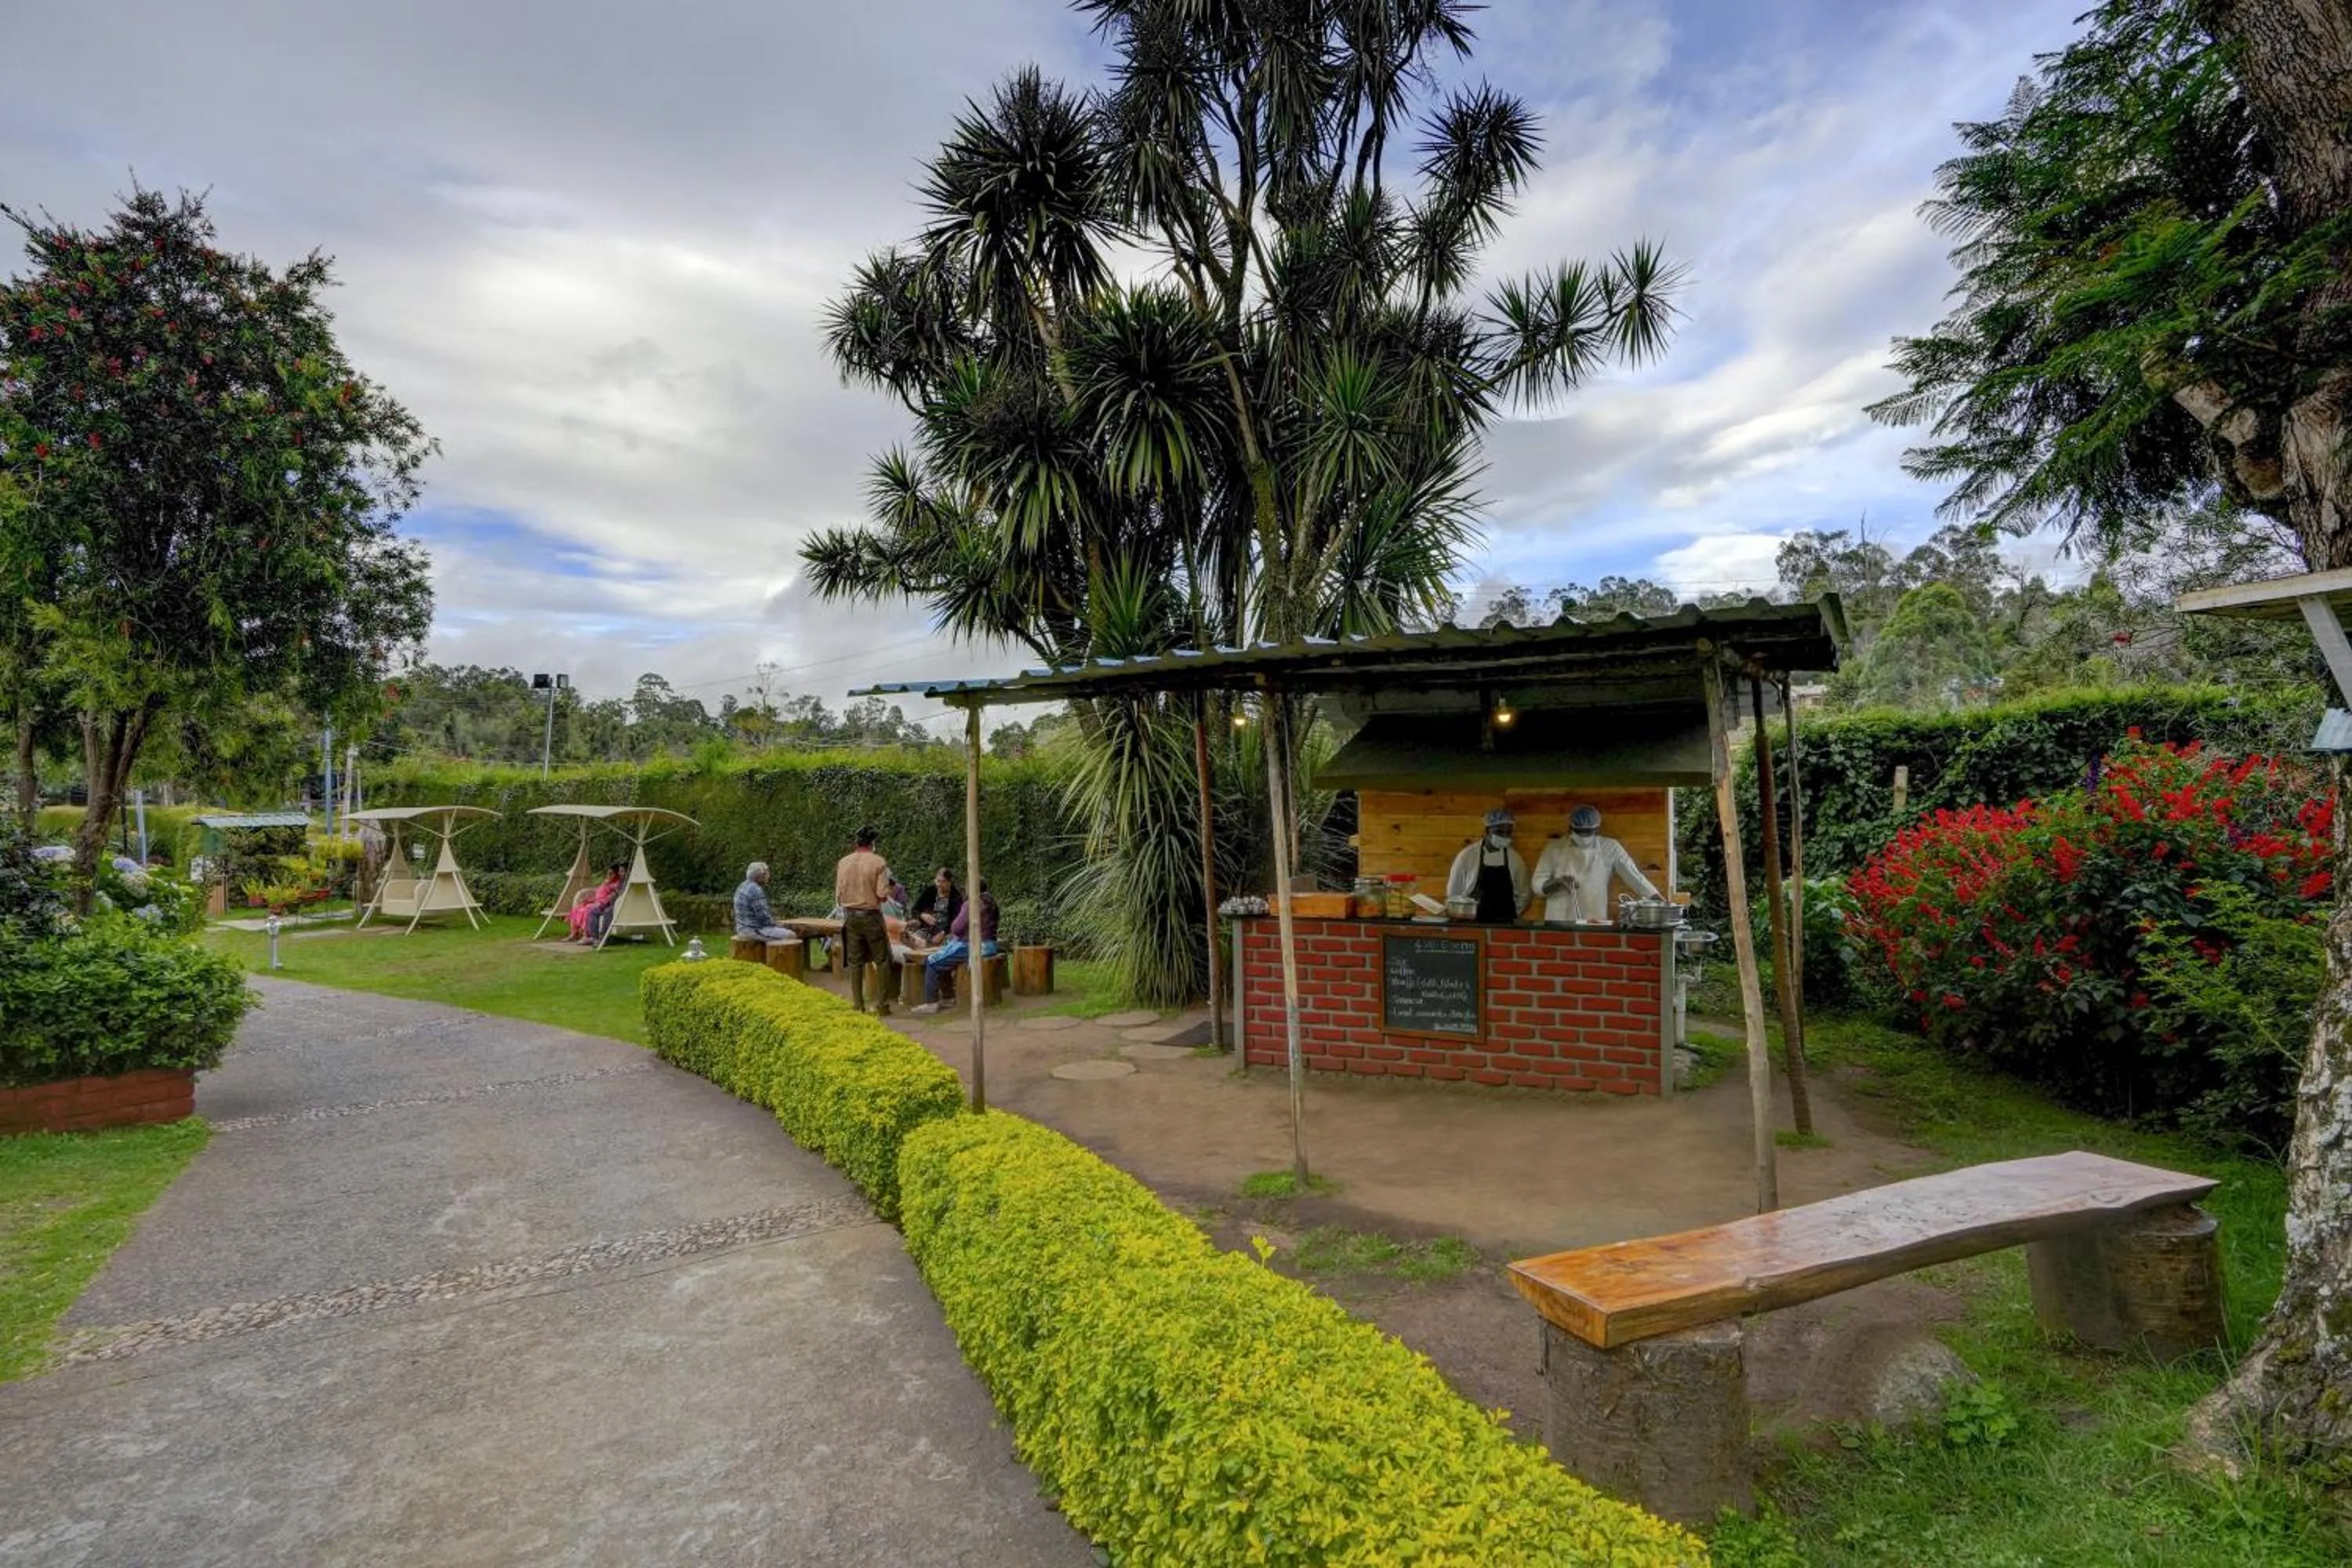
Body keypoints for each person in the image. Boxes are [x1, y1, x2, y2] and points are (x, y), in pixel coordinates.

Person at [1534, 804, 1661, 924]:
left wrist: (1658, 899)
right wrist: (1557, 883)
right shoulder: (1554, 848)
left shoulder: (1610, 847)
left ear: (1597, 829)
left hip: (1594, 917)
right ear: (1570, 828)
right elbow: (1537, 885)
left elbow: (1635, 878)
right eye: (1579, 832)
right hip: (1559, 919)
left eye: (1588, 832)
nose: (1584, 837)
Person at [910, 878, 1000, 1013]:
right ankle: (948, 997)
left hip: (973, 946)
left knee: (932, 962)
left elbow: (956, 928)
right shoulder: (990, 901)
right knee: (944, 958)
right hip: (990, 945)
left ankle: (931, 1003)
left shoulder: (971, 904)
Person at [834, 826, 897, 1014]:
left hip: (850, 916)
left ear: (856, 843)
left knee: (855, 961)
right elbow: (882, 895)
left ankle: (858, 1004)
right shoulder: (879, 863)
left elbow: (838, 894)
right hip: (871, 915)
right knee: (883, 960)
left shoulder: (843, 862)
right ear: (873, 844)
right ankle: (882, 1005)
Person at [1446, 806, 1530, 924]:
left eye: (1508, 833)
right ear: (1487, 831)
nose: (1504, 837)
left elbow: (1524, 894)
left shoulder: (1515, 859)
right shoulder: (1467, 856)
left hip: (1504, 924)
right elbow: (1454, 893)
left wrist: (1511, 915)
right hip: (1472, 922)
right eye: (1499, 832)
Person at [731, 861, 796, 945]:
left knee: (784, 931)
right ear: (761, 876)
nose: (769, 876)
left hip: (742, 929)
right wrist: (781, 925)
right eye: (767, 873)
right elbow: (764, 919)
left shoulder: (742, 886)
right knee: (791, 935)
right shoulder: (755, 890)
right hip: (754, 931)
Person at [570, 861, 628, 943]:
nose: (620, 873)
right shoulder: (621, 882)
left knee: (606, 912)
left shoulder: (626, 883)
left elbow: (618, 894)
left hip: (616, 905)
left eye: (622, 871)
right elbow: (612, 893)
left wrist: (607, 899)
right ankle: (594, 937)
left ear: (627, 872)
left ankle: (602, 937)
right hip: (609, 903)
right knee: (593, 910)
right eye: (619, 871)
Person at [908, 867, 964, 946]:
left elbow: (957, 921)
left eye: (943, 882)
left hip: (946, 932)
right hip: (927, 930)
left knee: (950, 944)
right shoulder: (929, 892)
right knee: (913, 940)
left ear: (950, 882)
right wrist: (922, 915)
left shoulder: (956, 898)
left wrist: (942, 933)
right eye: (938, 881)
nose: (939, 885)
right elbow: (915, 909)